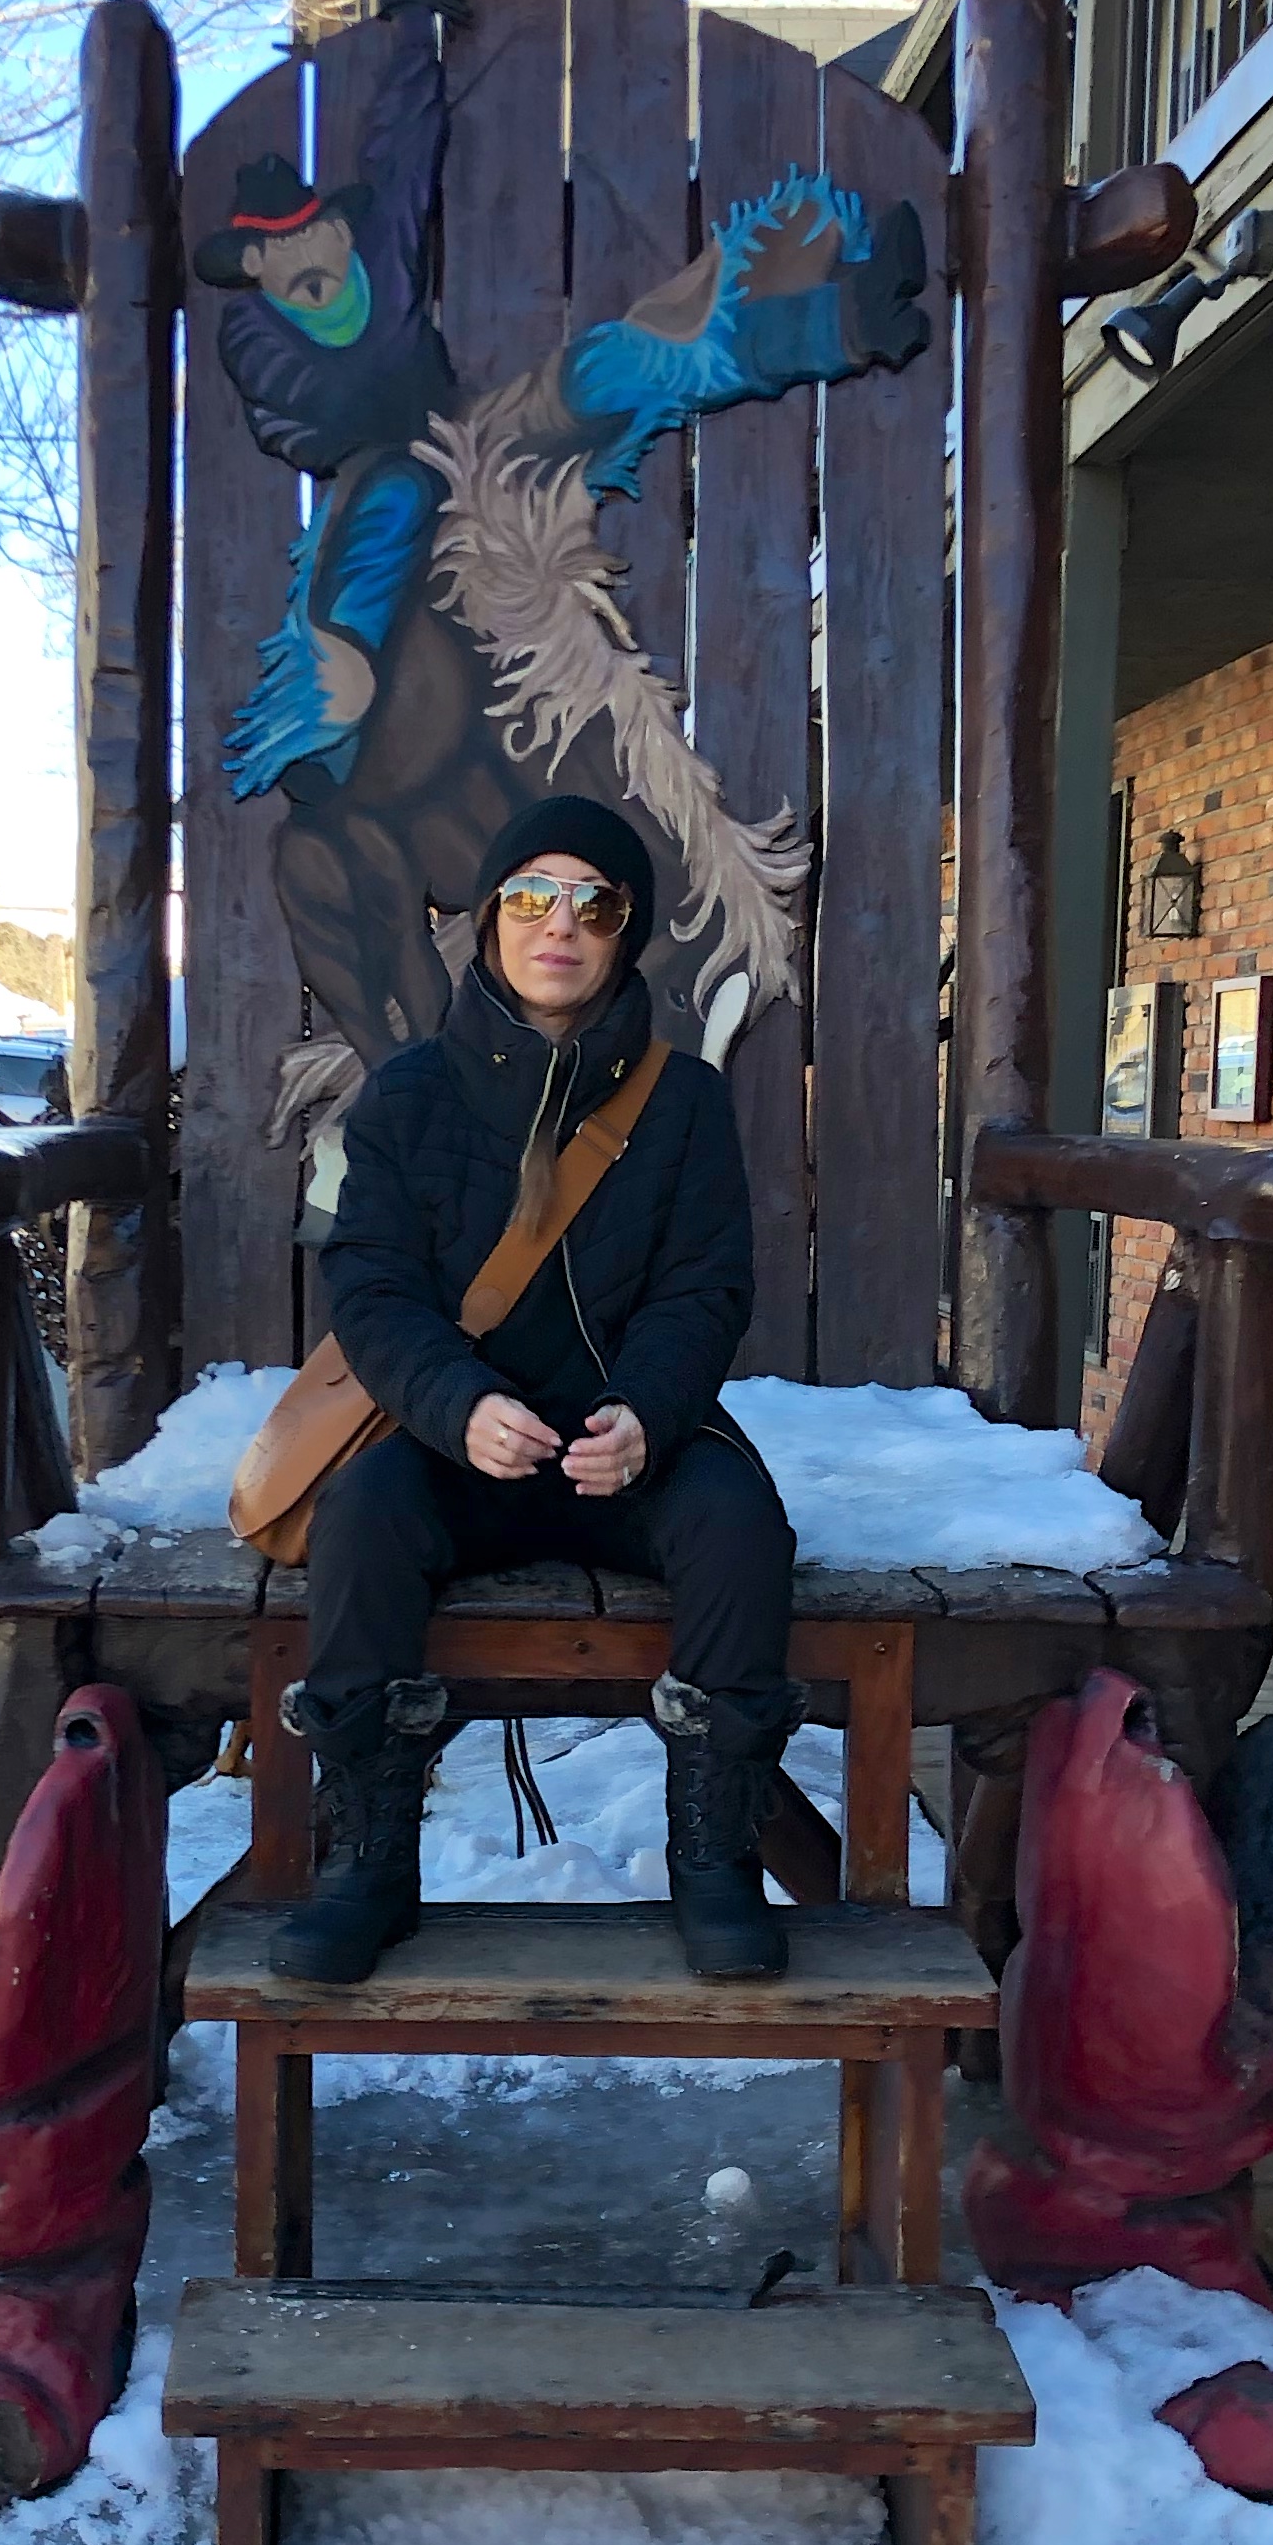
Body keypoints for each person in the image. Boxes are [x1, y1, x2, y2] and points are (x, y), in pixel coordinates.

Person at [273, 793, 805, 1989]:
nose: (559, 924)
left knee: (739, 1528)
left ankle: (715, 1859)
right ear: (490, 920)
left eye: (594, 904)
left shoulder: (684, 1101)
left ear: (625, 934)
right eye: (530, 896)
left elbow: (705, 1287)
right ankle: (366, 1865)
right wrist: (456, 1404)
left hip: (631, 1454)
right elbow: (373, 1286)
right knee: (364, 1520)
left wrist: (647, 1415)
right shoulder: (406, 1095)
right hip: (460, 1447)